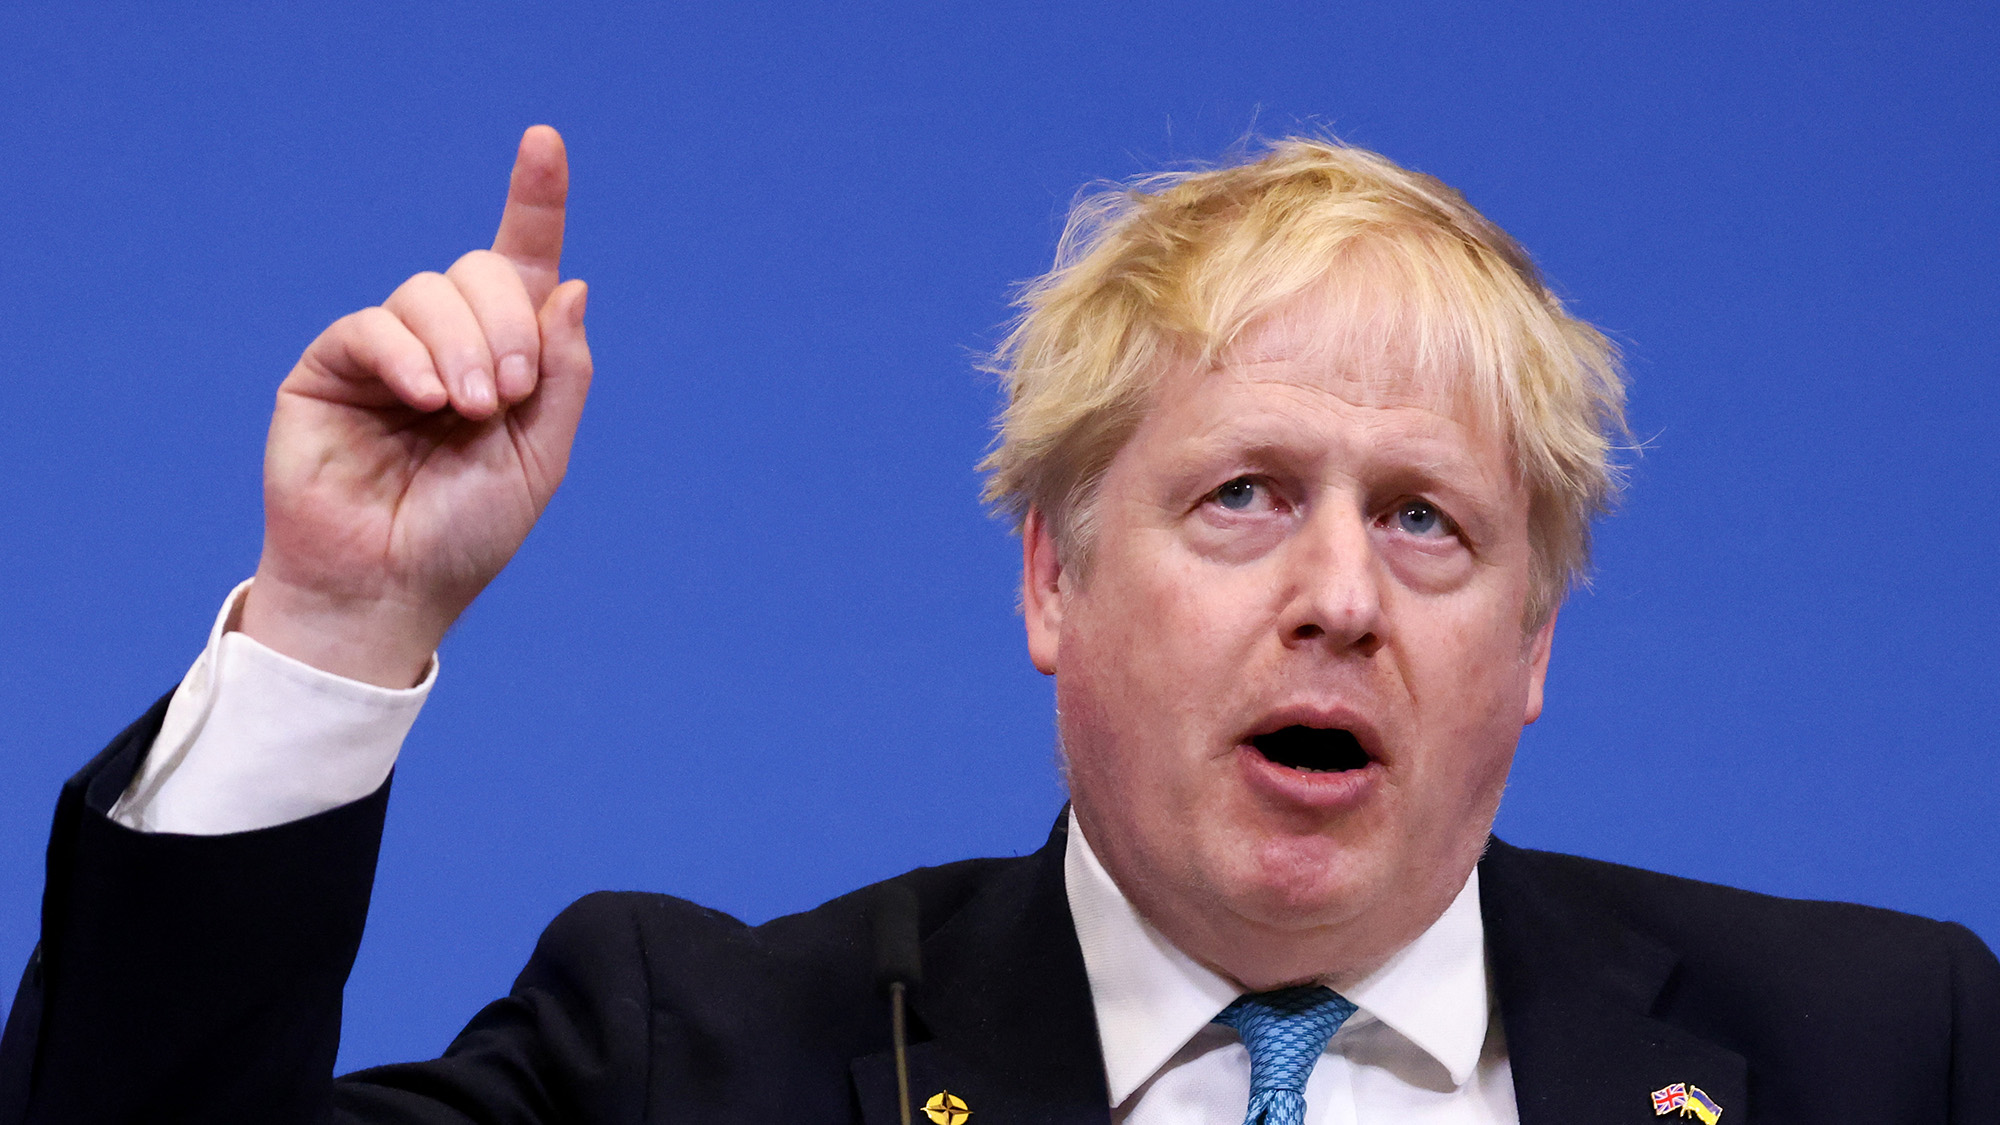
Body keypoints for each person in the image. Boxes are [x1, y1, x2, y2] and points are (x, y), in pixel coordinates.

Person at [1, 125, 1994, 1124]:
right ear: (1052, 574)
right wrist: (342, 621)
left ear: (1536, 642)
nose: (1335, 595)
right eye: (1242, 495)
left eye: (1426, 525)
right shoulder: (695, 1061)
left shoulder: (1887, 1054)